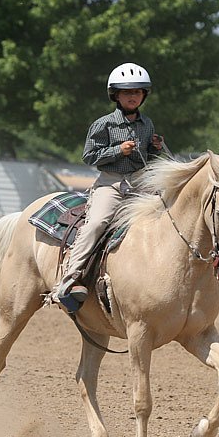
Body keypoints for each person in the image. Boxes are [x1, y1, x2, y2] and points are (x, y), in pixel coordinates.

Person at [57, 62, 164, 310]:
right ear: (115, 95)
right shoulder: (103, 124)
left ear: (144, 95)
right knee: (97, 223)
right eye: (127, 92)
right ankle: (70, 278)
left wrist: (154, 149)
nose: (132, 96)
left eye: (137, 92)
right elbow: (89, 156)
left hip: (140, 183)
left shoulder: (147, 124)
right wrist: (118, 150)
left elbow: (148, 159)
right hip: (112, 183)